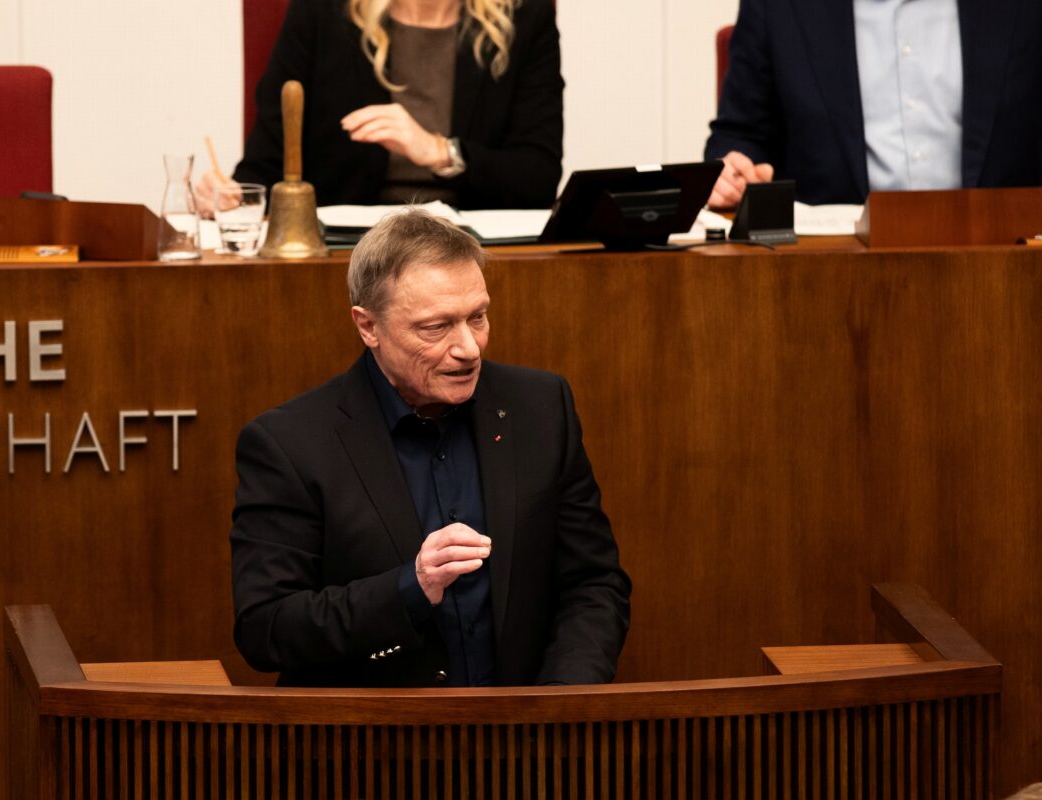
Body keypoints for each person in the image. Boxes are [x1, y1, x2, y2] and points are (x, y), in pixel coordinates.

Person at [229, 209, 631, 687]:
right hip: (371, 746)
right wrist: (410, 588)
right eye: (436, 327)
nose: (469, 348)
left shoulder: (540, 409)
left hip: (527, 744)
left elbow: (592, 584)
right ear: (368, 326)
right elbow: (267, 627)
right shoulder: (291, 444)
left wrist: (561, 707)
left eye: (477, 317)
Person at [197, 0, 563, 211]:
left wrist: (441, 152)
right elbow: (266, 166)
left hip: (477, 257)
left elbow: (537, 178)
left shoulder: (525, 17)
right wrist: (229, 197)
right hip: (349, 258)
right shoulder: (321, 12)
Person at [704, 0, 1042, 208]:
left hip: (1003, 270)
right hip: (832, 274)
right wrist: (731, 173)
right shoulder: (780, 8)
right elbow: (740, 135)